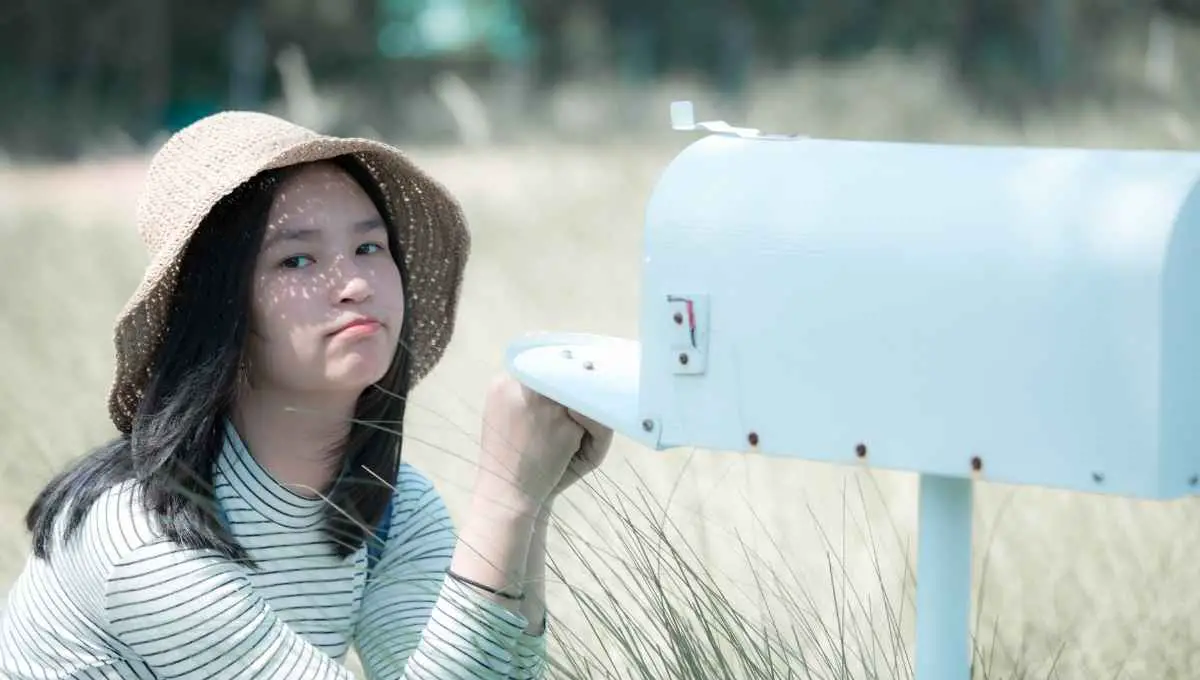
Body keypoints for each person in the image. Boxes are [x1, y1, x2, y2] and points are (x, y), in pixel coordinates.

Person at [0, 111, 612, 679]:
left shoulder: (392, 510)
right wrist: (504, 497)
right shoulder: (142, 539)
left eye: (369, 248)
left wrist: (531, 501)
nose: (354, 284)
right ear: (220, 312)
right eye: (296, 260)